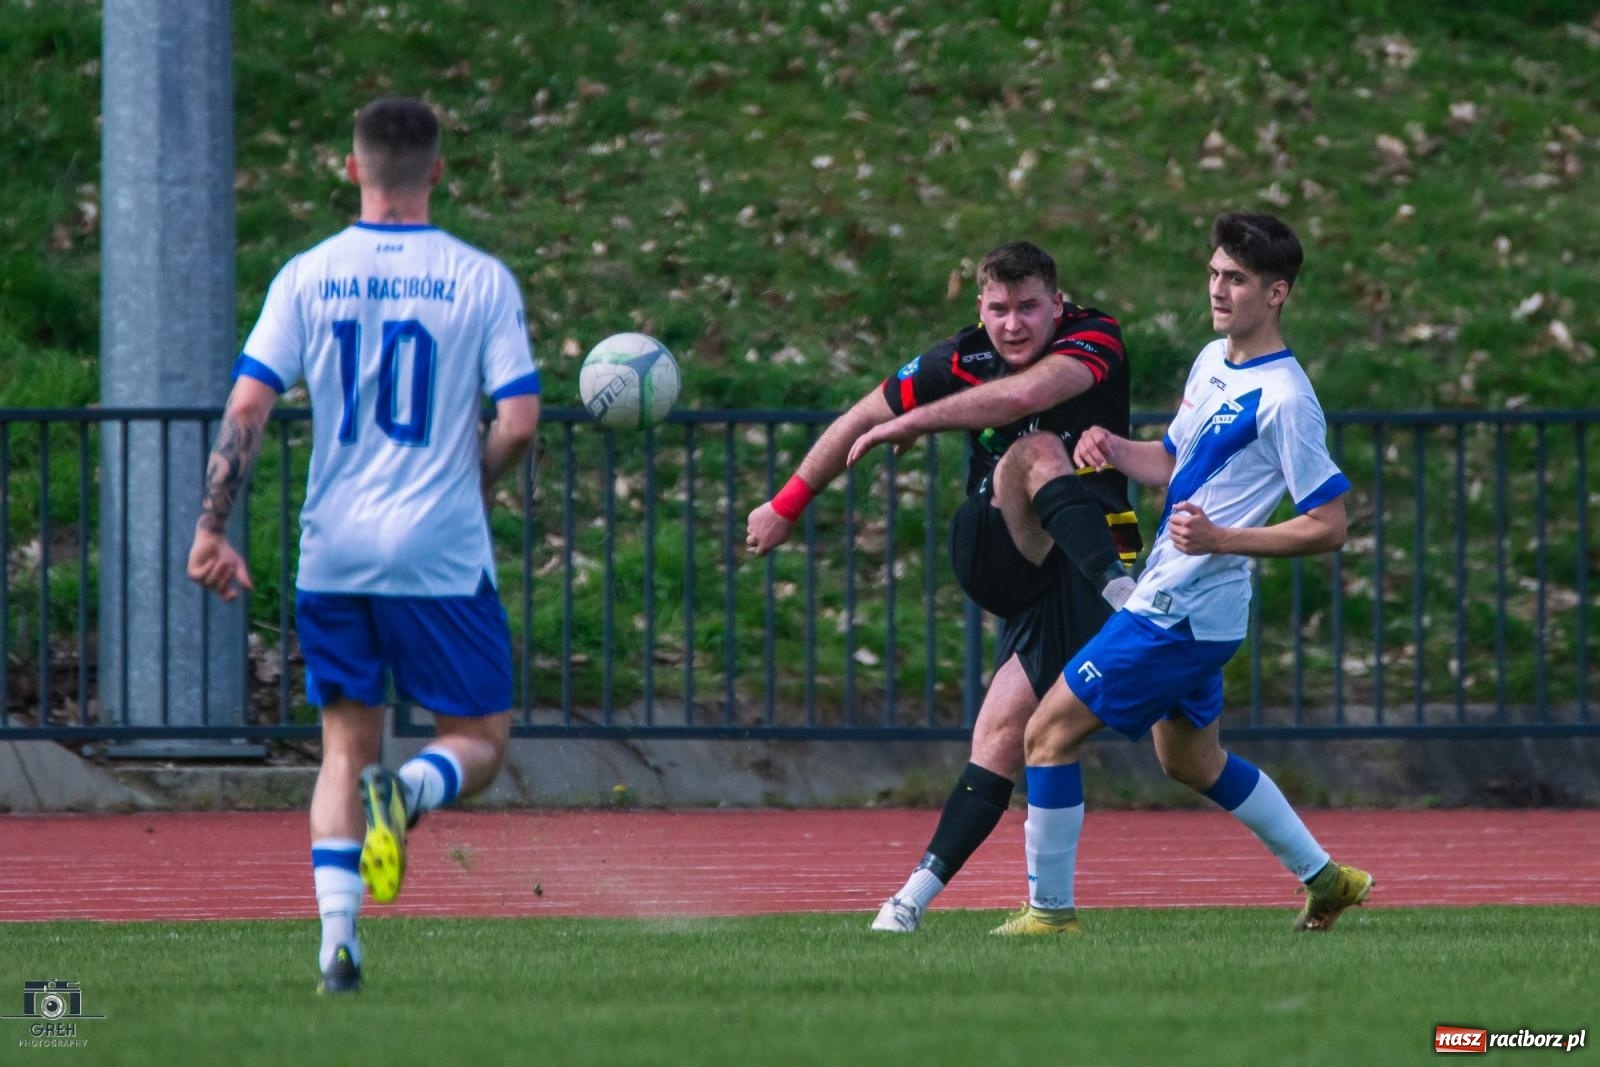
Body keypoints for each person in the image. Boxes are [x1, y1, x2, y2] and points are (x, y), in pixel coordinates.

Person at [186, 97, 541, 992]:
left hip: (334, 552)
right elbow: (521, 422)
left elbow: (247, 409)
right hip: (441, 551)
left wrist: (211, 527)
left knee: (345, 745)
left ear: (353, 168)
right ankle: (413, 791)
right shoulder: (481, 278)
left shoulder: (308, 274)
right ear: (437, 170)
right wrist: (478, 472)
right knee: (480, 739)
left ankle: (337, 948)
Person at [992, 212, 1371, 937]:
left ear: (1278, 292)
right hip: (1193, 602)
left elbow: (1330, 525)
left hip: (1181, 607)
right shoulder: (1211, 359)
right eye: (1215, 273)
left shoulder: (1288, 400)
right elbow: (1171, 461)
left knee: (1047, 732)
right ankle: (1329, 879)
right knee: (1192, 760)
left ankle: (1050, 913)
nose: (1219, 289)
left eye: (1237, 279)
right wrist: (1114, 448)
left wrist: (1225, 536)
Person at [746, 240, 1142, 933]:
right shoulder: (958, 358)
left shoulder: (1096, 336)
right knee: (1038, 450)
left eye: (1028, 308)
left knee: (1007, 735)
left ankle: (909, 902)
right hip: (998, 547)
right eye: (998, 309)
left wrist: (914, 421)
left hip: (1071, 560)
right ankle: (1123, 592)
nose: (1013, 324)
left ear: (1058, 304)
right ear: (979, 308)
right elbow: (857, 419)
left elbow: (1026, 395)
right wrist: (786, 503)